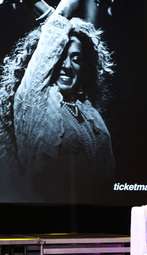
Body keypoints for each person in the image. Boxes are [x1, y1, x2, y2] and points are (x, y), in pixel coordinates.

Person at [0, 0, 115, 202]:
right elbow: (57, 26)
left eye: (76, 59)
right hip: (45, 218)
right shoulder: (35, 99)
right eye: (60, 58)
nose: (68, 66)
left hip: (91, 218)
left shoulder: (90, 114)